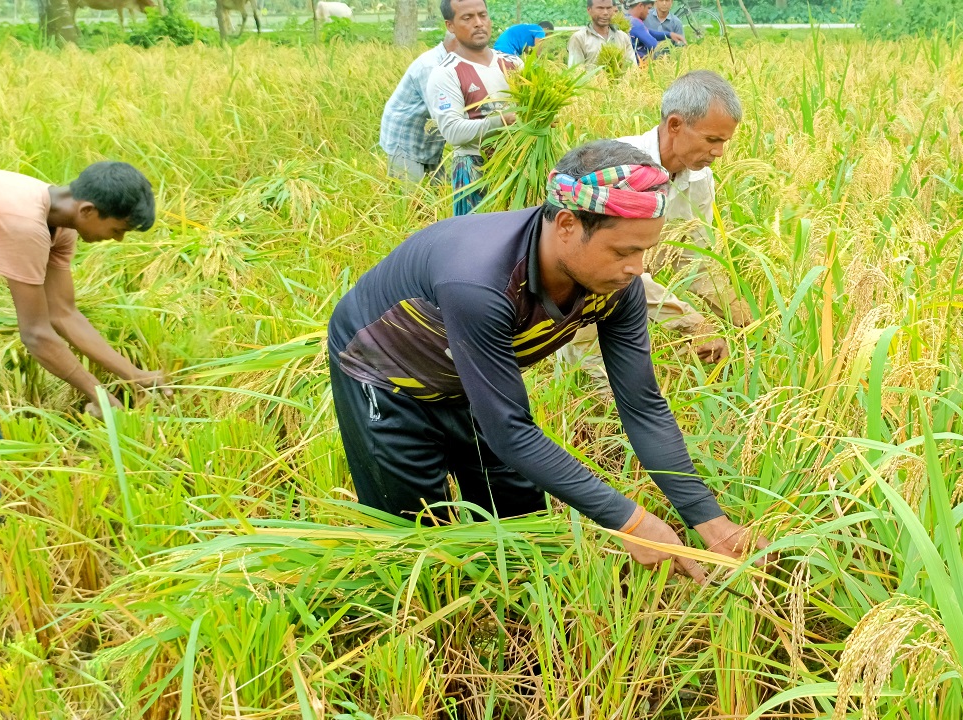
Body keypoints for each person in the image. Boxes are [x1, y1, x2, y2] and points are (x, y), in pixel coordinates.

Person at [328, 139, 769, 581]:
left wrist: (709, 520)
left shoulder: (618, 289)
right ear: (566, 224)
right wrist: (631, 522)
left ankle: (513, 625)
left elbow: (642, 407)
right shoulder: (481, 281)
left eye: (644, 251)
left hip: (470, 374)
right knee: (418, 537)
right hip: (383, 372)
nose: (637, 269)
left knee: (521, 520)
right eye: (622, 252)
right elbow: (510, 431)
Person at [0, 162, 168, 428]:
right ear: (88, 210)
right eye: (118, 230)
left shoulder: (60, 221)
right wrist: (97, 393)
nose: (118, 239)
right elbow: (35, 333)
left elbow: (63, 313)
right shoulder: (22, 223)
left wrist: (135, 376)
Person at [561, 70, 744, 383]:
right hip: (586, 298)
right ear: (675, 125)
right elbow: (616, 266)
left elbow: (693, 257)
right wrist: (692, 323)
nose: (719, 153)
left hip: (634, 295)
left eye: (724, 142)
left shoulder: (700, 178)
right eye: (712, 140)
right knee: (595, 396)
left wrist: (738, 312)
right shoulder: (617, 171)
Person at [426, 0, 521, 216]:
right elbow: (452, 132)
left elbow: (531, 111)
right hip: (476, 172)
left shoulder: (514, 64)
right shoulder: (446, 73)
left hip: (520, 167)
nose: (478, 23)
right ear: (450, 26)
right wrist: (501, 121)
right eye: (467, 18)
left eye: (482, 15)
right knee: (479, 242)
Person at [380, 33, 458, 183]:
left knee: (439, 190)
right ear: (457, 44)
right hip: (406, 137)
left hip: (427, 138)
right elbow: (443, 114)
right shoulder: (431, 67)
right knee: (411, 196)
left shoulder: (451, 62)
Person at [566, 0, 637, 69]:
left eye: (609, 8)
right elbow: (576, 72)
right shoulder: (579, 38)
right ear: (589, 10)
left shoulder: (623, 37)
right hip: (593, 81)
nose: (605, 12)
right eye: (600, 8)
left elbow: (633, 68)